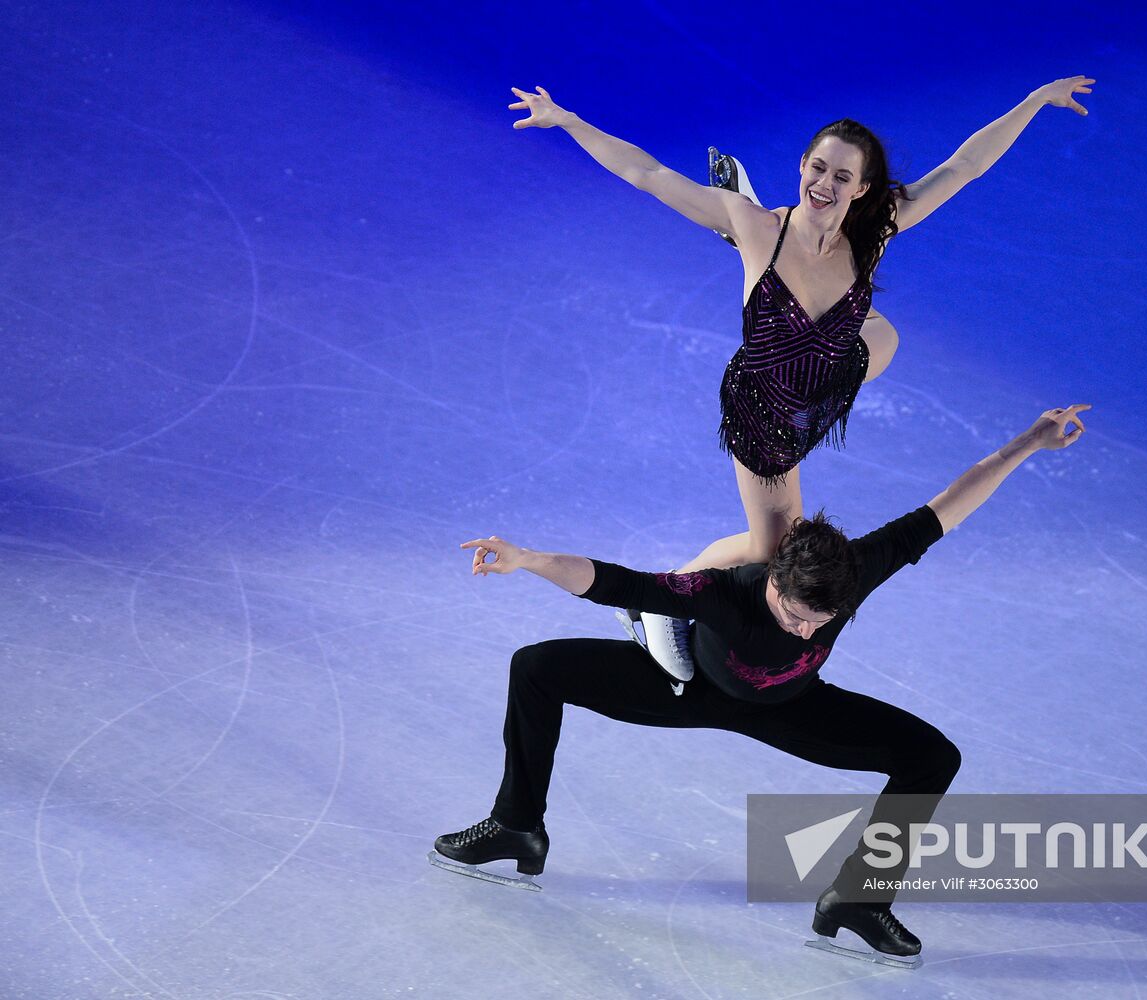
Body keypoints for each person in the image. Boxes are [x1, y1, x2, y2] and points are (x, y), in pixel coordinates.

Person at [432, 404, 1090, 965]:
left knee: (932, 756)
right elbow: (613, 580)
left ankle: (857, 898)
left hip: (790, 705)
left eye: (820, 623)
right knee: (537, 666)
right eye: (795, 617)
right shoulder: (724, 592)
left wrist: (1028, 443)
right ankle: (515, 827)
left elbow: (948, 506)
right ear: (774, 580)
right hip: (686, 687)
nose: (805, 633)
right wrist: (528, 560)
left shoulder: (858, 567)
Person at [507, 79, 1095, 685]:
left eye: (842, 177)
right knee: (770, 555)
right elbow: (647, 173)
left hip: (823, 388)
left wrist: (1030, 102)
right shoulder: (760, 225)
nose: (825, 184)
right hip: (765, 413)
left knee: (883, 337)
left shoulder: (874, 233)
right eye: (818, 169)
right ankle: (653, 605)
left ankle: (830, 326)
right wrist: (568, 120)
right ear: (802, 167)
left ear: (862, 189)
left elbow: (965, 166)